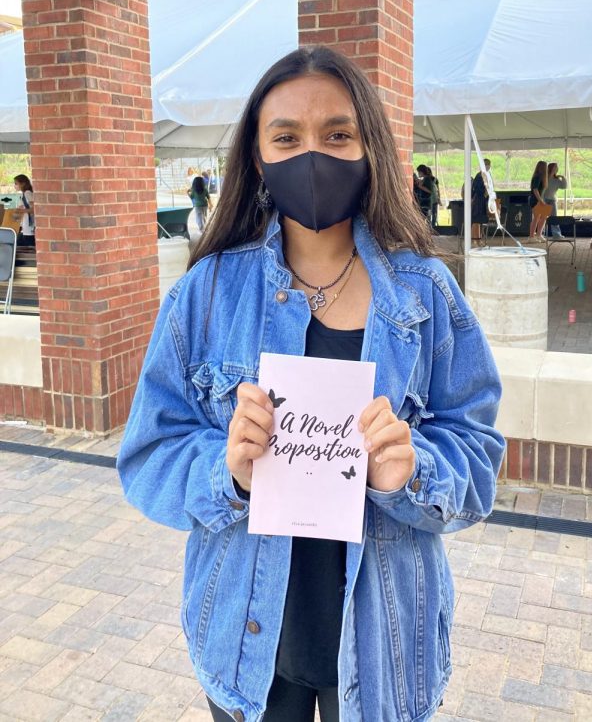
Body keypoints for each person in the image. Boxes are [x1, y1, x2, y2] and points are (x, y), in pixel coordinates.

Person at [117, 47, 505, 722]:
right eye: (286, 138)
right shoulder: (207, 295)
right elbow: (148, 454)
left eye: (336, 134)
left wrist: (413, 470)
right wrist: (226, 471)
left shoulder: (426, 293)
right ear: (258, 159)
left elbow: (477, 455)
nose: (312, 156)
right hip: (244, 642)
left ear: (369, 148)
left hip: (384, 646)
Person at [543, 162, 567, 238]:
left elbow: (564, 186)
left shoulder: (556, 180)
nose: (556, 169)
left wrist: (563, 177)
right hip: (544, 199)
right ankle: (541, 234)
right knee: (542, 217)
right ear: (551, 168)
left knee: (554, 217)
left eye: (557, 167)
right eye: (555, 167)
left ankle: (556, 234)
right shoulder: (545, 177)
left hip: (552, 200)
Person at [471, 159, 491, 244]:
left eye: (489, 165)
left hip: (482, 200)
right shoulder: (479, 176)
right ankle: (474, 240)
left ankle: (478, 239)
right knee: (476, 221)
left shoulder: (485, 175)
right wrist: (485, 192)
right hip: (478, 200)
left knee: (479, 221)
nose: (489, 167)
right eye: (487, 165)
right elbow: (477, 189)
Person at [13, 174, 35, 247]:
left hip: (29, 229)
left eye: (16, 183)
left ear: (23, 183)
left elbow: (34, 209)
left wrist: (22, 211)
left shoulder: (27, 193)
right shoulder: (23, 194)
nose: (15, 185)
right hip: (25, 228)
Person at [528, 160, 549, 240]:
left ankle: (539, 234)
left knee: (544, 216)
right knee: (536, 217)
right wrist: (540, 200)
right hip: (535, 200)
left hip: (540, 200)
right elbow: (535, 190)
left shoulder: (542, 177)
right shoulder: (537, 177)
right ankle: (531, 237)